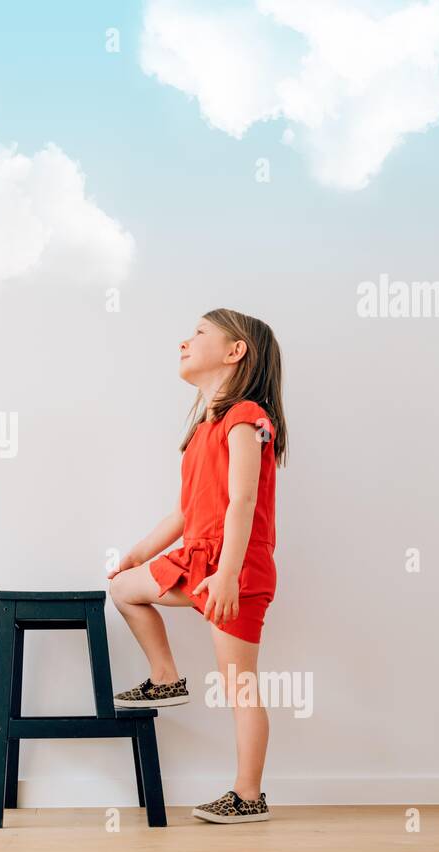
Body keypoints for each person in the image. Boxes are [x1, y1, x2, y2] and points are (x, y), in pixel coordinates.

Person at [107, 307, 286, 823]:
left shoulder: (245, 417)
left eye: (198, 334)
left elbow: (243, 501)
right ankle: (166, 676)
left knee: (240, 685)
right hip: (197, 559)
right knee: (123, 589)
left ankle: (249, 795)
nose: (184, 343)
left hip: (236, 568)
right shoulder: (202, 430)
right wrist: (142, 551)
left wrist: (228, 572)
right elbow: (187, 510)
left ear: (235, 352)